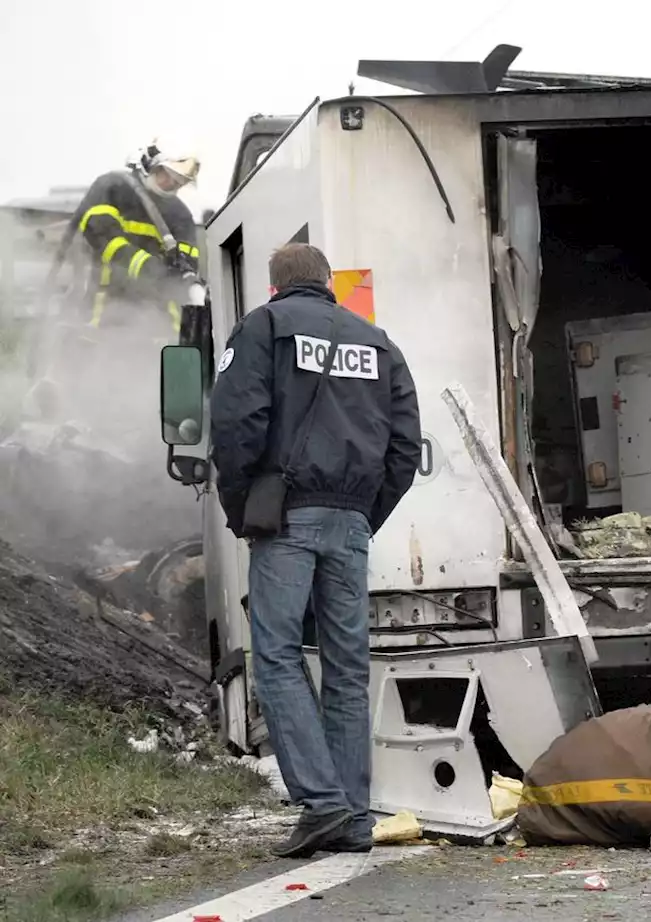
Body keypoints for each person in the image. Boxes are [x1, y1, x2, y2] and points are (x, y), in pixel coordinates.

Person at [208, 243, 421, 858]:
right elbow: (404, 445)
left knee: (274, 655)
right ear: (329, 283)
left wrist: (245, 506)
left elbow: (234, 423)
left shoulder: (264, 328)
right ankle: (353, 817)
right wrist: (364, 514)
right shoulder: (377, 342)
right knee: (348, 667)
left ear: (274, 287)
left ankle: (323, 803)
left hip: (288, 517)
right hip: (352, 520)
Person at [72, 143, 202, 336]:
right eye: (166, 175)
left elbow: (189, 262)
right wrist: (149, 267)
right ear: (149, 164)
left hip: (160, 326)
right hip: (105, 319)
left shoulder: (179, 214)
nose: (170, 184)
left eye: (178, 181)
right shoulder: (112, 189)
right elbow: (103, 237)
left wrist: (183, 275)